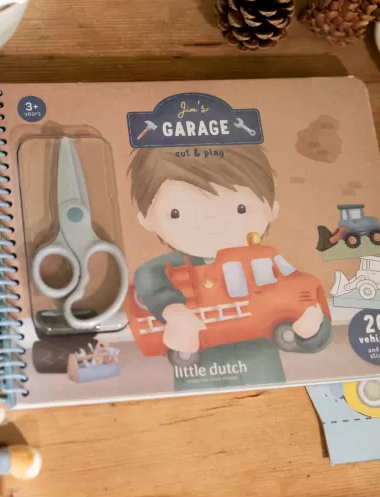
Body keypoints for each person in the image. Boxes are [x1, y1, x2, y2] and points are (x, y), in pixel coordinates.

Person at [128, 145, 325, 390]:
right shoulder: (175, 267)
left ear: (272, 209)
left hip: (263, 376)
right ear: (146, 219)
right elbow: (148, 277)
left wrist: (309, 332)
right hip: (199, 379)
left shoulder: (265, 262)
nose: (210, 223)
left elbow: (309, 319)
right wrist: (172, 309)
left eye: (241, 209)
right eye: (176, 213)